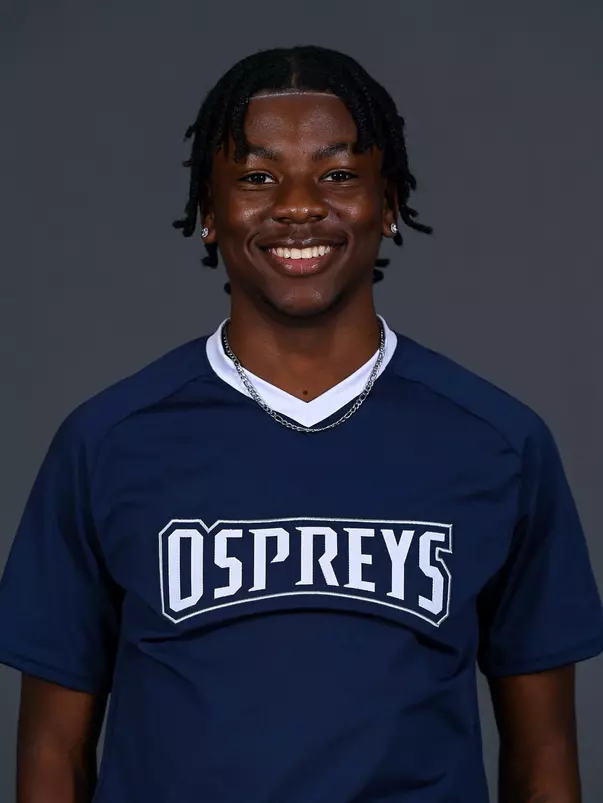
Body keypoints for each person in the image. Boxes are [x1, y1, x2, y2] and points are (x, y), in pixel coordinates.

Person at [0, 44, 601, 803]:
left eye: (338, 175)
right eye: (256, 177)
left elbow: (543, 755)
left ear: (386, 205)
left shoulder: (498, 440)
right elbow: (53, 753)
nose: (296, 204)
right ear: (209, 214)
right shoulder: (108, 440)